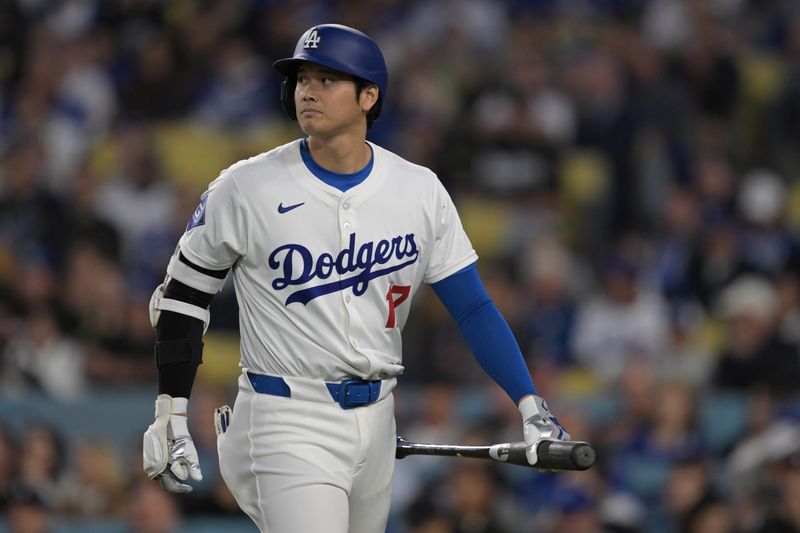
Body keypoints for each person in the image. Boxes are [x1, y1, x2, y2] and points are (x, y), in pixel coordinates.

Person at [142, 23, 570, 533]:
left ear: (369, 96)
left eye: (327, 79)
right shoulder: (245, 187)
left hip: (378, 418)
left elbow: (472, 307)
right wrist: (171, 411)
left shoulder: (418, 190)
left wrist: (529, 402)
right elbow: (182, 297)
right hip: (285, 415)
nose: (308, 90)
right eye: (302, 78)